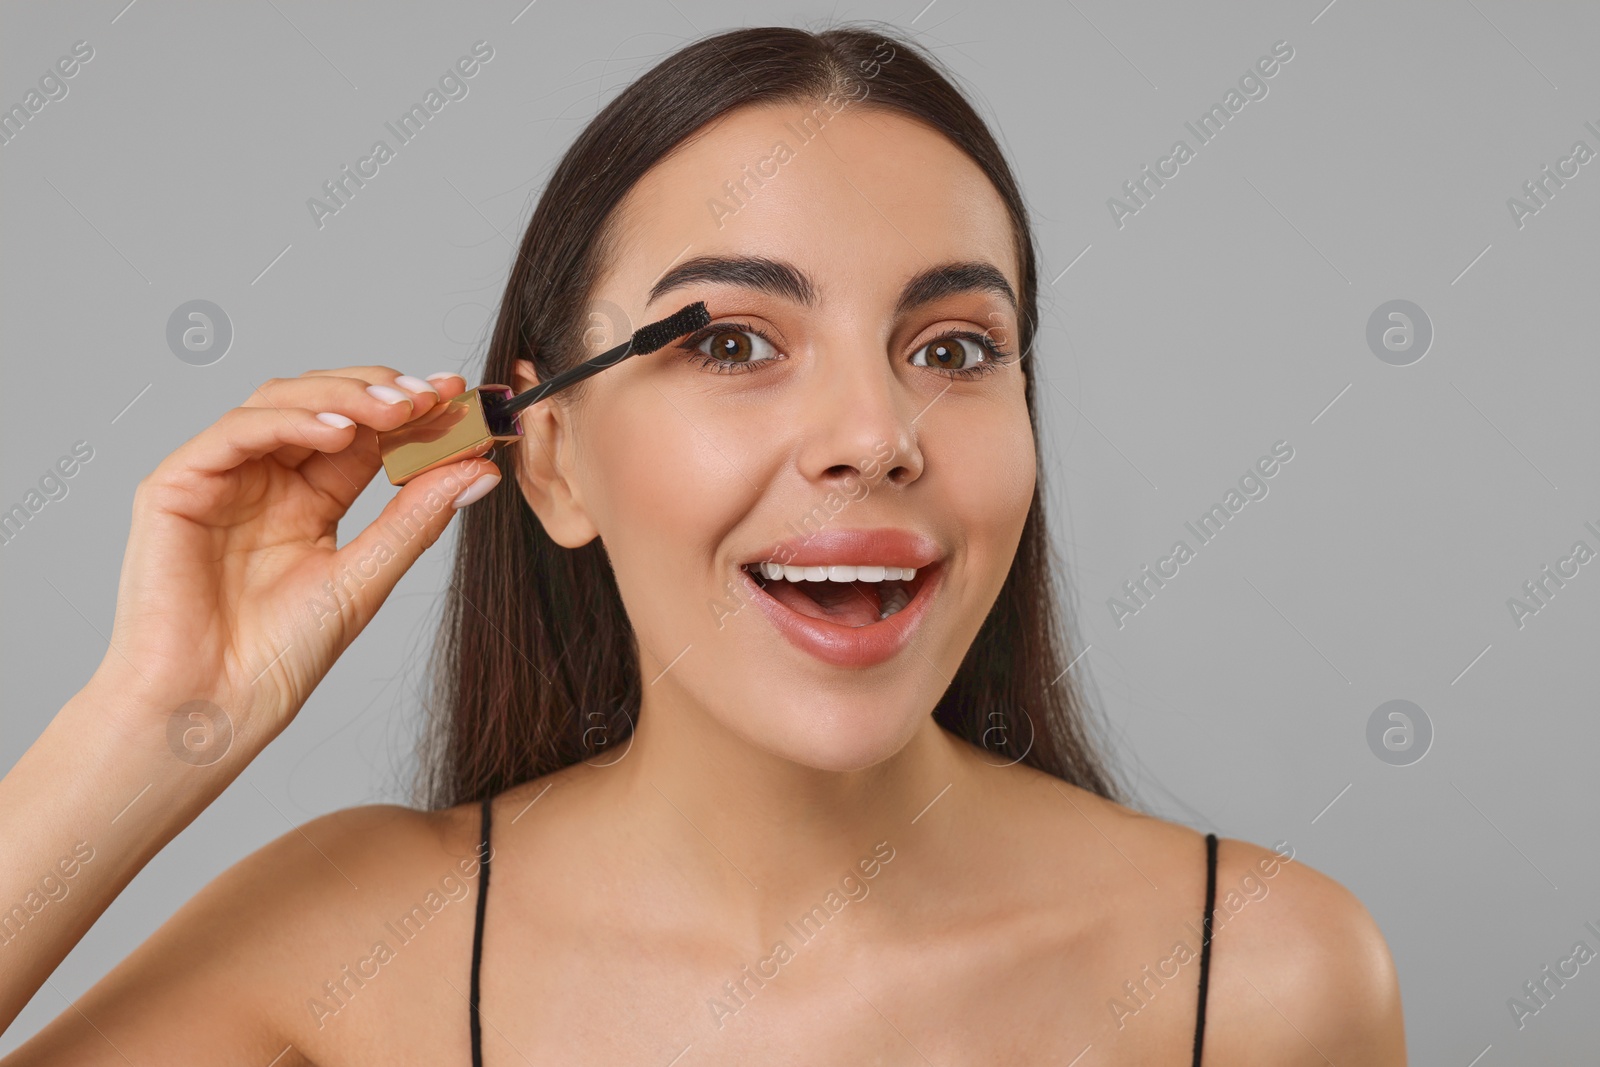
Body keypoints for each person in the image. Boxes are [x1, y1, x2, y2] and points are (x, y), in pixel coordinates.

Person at [0, 23, 1405, 1065]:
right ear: (549, 457)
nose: (876, 432)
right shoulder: (353, 951)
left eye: (955, 345)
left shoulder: (1269, 976)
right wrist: (154, 726)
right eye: (732, 341)